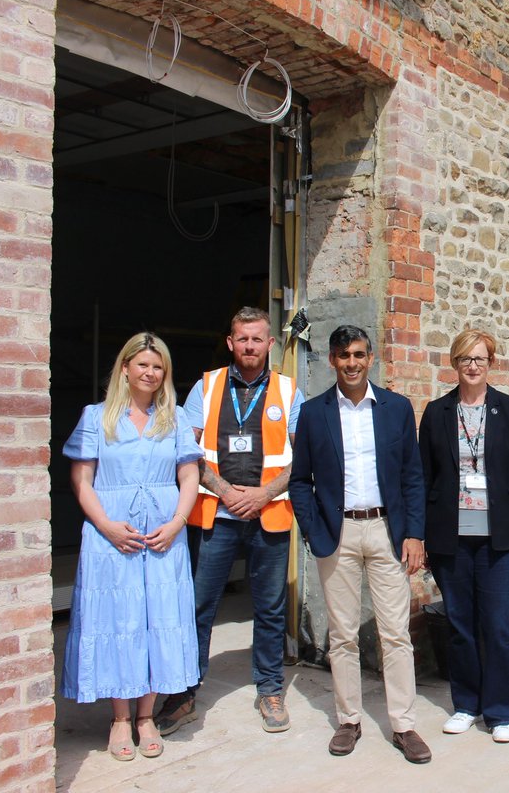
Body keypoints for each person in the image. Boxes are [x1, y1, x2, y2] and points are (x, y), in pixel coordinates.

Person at [154, 307, 304, 735]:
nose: (250, 346)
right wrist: (225, 491)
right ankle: (184, 692)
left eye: (257, 339)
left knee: (271, 608)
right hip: (214, 516)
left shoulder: (289, 391)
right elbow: (187, 450)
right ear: (230, 342)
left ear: (270, 343)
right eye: (243, 339)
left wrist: (262, 494)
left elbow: (303, 457)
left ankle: (270, 688)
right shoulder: (206, 386)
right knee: (199, 606)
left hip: (269, 515)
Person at [288, 325, 432, 764]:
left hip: (387, 531)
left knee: (396, 634)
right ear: (332, 360)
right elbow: (299, 481)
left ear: (370, 358)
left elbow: (412, 476)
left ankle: (403, 724)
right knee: (343, 635)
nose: (351, 363)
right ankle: (349, 720)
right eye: (343, 355)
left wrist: (414, 533)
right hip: (339, 535)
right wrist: (312, 530)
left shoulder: (395, 408)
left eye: (358, 354)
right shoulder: (313, 413)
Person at [62, 332, 202, 761]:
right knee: (118, 620)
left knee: (159, 618)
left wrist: (177, 523)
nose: (150, 373)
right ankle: (120, 718)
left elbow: (189, 476)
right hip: (111, 535)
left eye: (158, 367)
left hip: (163, 534)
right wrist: (106, 525)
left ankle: (146, 716)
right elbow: (81, 479)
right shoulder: (96, 417)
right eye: (142, 364)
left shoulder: (175, 418)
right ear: (125, 368)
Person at [418, 329, 509, 744]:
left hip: (501, 536)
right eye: (466, 359)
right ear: (454, 363)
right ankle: (467, 705)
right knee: (460, 625)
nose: (473, 366)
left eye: (480, 359)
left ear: (491, 364)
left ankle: (502, 711)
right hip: (451, 537)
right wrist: (421, 535)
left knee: (500, 625)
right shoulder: (437, 412)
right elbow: (424, 477)